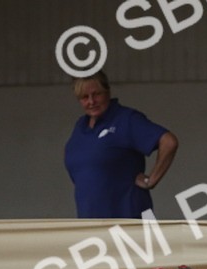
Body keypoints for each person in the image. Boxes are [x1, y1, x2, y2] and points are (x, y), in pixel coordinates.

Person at [64, 71, 178, 219]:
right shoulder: (81, 126)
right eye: (85, 97)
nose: (91, 101)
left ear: (107, 91)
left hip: (129, 220)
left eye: (96, 94)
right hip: (91, 221)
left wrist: (151, 180)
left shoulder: (125, 119)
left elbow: (169, 142)